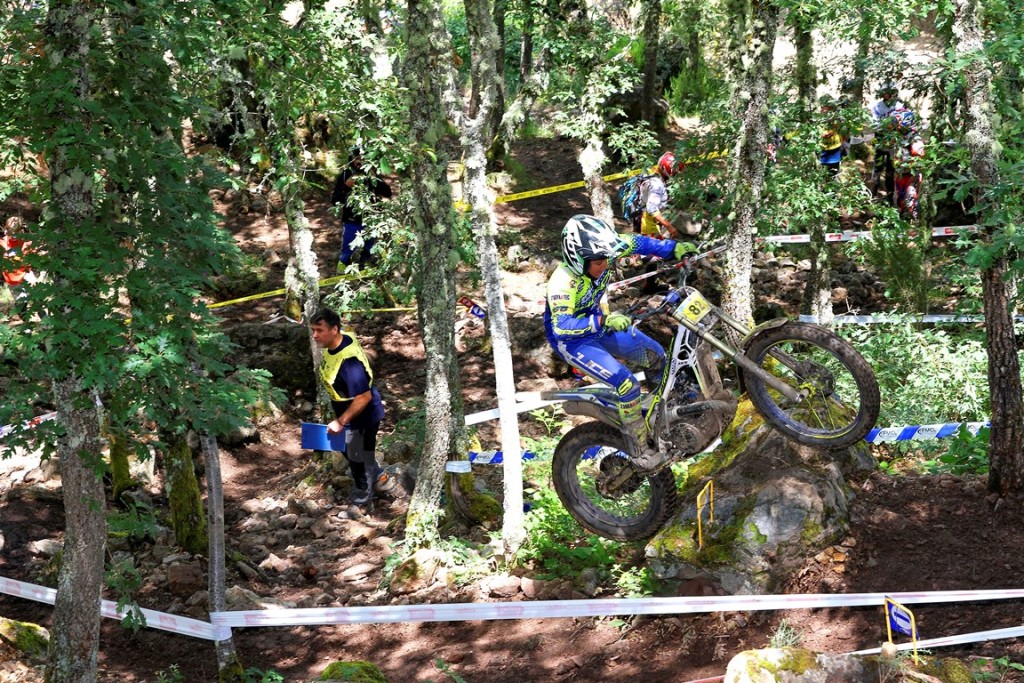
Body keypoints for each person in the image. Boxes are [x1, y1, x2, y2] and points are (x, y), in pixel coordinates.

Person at [544, 214, 697, 471]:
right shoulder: (562, 282)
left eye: (606, 259)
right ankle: (640, 449)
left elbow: (637, 242)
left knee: (656, 355)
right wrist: (603, 321)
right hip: (571, 341)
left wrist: (671, 249)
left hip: (598, 323)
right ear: (577, 259)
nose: (605, 264)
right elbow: (562, 325)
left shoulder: (604, 249)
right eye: (599, 262)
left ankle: (667, 417)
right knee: (626, 384)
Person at [310, 308, 387, 507]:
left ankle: (362, 498)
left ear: (334, 329)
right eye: (313, 330)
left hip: (363, 413)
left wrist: (340, 421)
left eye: (319, 330)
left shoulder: (349, 363)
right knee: (351, 451)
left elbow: (364, 396)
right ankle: (379, 477)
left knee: (356, 457)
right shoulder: (340, 339)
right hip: (347, 408)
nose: (315, 335)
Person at [331, 149, 392, 270]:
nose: (360, 162)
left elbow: (388, 193)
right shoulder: (345, 175)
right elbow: (335, 200)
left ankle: (366, 269)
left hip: (370, 219)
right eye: (357, 158)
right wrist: (346, 187)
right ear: (352, 160)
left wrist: (375, 179)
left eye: (363, 158)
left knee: (369, 248)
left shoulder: (371, 174)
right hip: (351, 219)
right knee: (347, 250)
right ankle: (342, 272)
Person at [639, 152, 688, 239]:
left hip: (645, 216)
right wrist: (669, 226)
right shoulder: (657, 185)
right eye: (676, 173)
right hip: (648, 222)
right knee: (653, 250)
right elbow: (651, 208)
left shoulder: (652, 172)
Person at [889, 108, 926, 221]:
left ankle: (917, 225)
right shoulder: (897, 137)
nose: (895, 125)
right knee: (900, 200)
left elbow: (920, 157)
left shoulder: (915, 139)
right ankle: (903, 225)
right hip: (899, 174)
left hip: (912, 175)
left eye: (897, 122)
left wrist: (910, 162)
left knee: (911, 202)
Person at [870, 83, 905, 198]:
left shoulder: (898, 105)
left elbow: (902, 121)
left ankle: (890, 196)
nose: (887, 95)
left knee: (891, 169)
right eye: (884, 93)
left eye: (889, 93)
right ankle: (873, 194)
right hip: (880, 138)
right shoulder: (877, 107)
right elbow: (874, 123)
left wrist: (895, 126)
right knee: (877, 167)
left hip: (893, 140)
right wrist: (885, 126)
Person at [817, 95, 848, 179]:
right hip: (823, 152)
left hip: (835, 152)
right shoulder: (819, 120)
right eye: (823, 108)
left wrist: (843, 143)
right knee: (822, 176)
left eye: (828, 108)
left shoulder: (838, 119)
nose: (825, 110)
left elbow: (845, 132)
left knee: (834, 176)